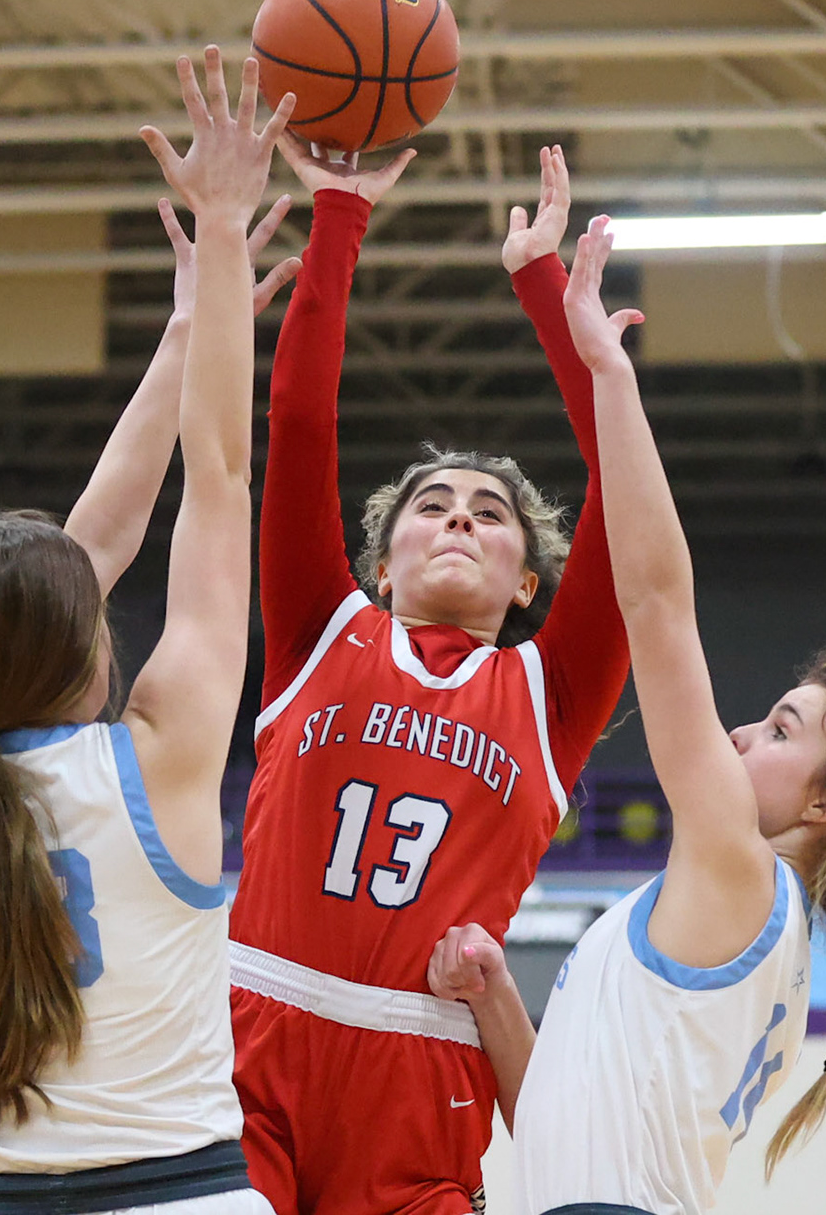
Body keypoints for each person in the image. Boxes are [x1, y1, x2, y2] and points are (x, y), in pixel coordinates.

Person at [425, 215, 826, 1214]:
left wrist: (610, 377)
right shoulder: (769, 942)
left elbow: (657, 603)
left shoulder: (741, 870)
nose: (748, 733)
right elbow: (560, 1119)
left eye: (785, 731)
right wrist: (497, 996)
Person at [0, 47, 292, 1213]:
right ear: (86, 637)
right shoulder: (155, 758)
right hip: (179, 1193)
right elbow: (218, 477)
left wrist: (191, 324)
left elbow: (106, 538)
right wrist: (220, 239)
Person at [228, 143, 630, 1215]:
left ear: (529, 580)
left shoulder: (551, 694)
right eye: (432, 503)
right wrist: (339, 213)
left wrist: (546, 286)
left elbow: (630, 502)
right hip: (252, 1042)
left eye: (489, 512)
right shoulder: (321, 628)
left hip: (421, 1073)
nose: (459, 514)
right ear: (381, 556)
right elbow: (301, 426)